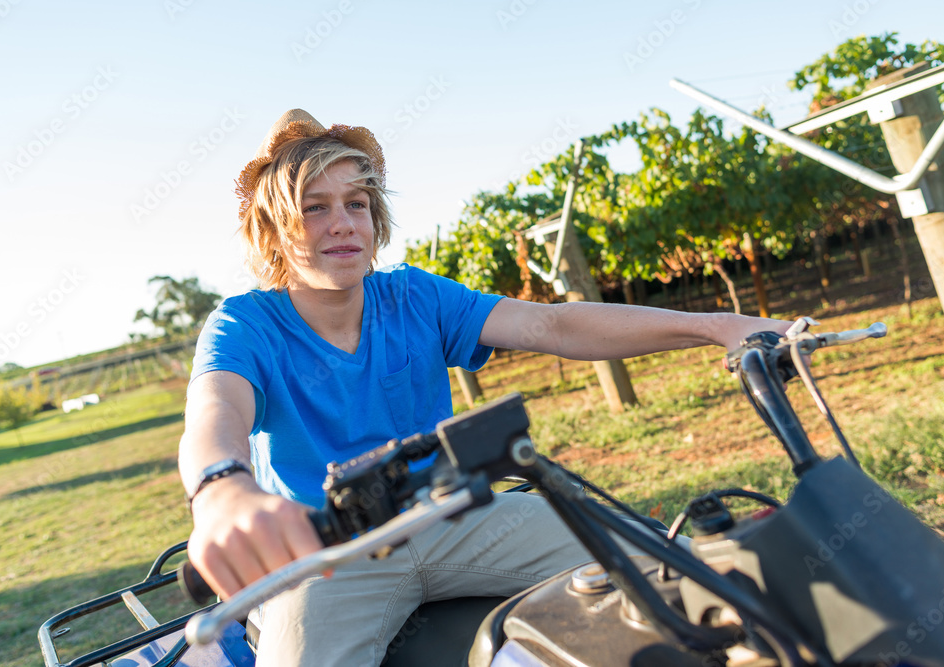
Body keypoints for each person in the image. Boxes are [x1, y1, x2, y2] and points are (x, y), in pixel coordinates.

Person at [179, 109, 791, 666]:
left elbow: (551, 321)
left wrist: (719, 326)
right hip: (328, 555)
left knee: (669, 576)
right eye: (315, 207)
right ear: (274, 230)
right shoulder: (246, 323)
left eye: (356, 203)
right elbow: (216, 407)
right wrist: (219, 491)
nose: (343, 225)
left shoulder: (414, 297)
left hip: (456, 514)